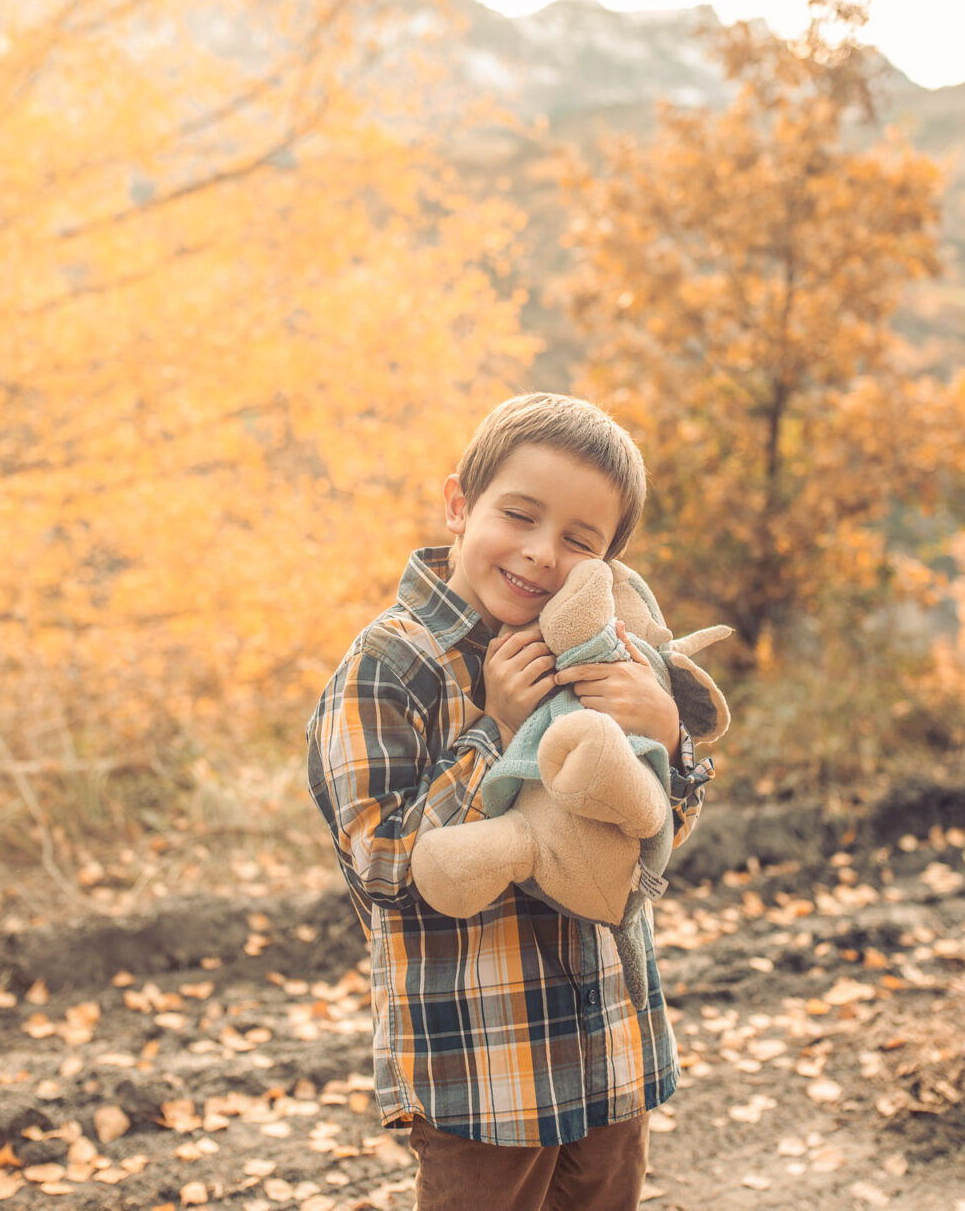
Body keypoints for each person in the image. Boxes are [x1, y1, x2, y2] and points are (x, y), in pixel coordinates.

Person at [306, 392, 718, 1211]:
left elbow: (648, 845)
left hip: (607, 1041)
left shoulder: (606, 653)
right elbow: (383, 867)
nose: (540, 554)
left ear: (604, 563)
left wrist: (671, 739)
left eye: (578, 540)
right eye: (520, 515)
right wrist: (496, 728)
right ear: (460, 503)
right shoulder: (389, 665)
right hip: (484, 1068)